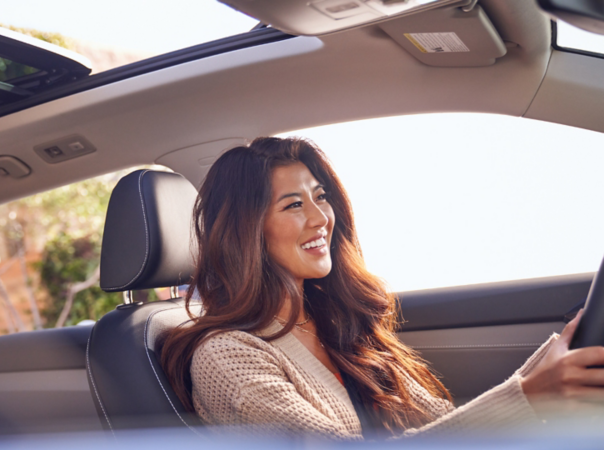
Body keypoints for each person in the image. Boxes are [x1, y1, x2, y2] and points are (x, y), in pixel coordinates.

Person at [160, 136, 604, 439]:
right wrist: (530, 396)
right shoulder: (226, 357)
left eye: (321, 196)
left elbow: (438, 425)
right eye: (294, 204)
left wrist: (551, 362)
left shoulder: (331, 323)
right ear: (247, 231)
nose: (321, 218)